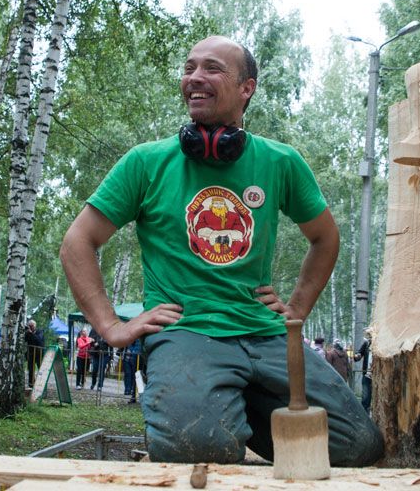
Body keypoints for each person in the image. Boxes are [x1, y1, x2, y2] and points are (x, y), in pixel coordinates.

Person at [61, 35, 383, 466]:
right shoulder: (146, 162)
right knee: (199, 451)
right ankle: (205, 407)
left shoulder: (280, 162)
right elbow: (78, 241)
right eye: (189, 67)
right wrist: (110, 326)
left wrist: (297, 308)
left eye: (211, 68)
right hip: (187, 332)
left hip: (264, 334)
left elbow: (325, 237)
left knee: (357, 443)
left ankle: (223, 404)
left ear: (246, 87)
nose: (195, 77)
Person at [353, 331, 373, 412]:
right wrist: (357, 356)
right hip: (366, 374)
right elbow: (359, 353)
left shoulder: (381, 345)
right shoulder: (366, 343)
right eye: (370, 336)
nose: (370, 337)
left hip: (378, 376)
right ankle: (365, 415)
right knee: (365, 397)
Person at [24, 319, 44, 387]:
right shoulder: (28, 333)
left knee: (40, 368)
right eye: (29, 326)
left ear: (35, 326)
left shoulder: (39, 331)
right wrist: (26, 332)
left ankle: (41, 383)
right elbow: (24, 339)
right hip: (31, 353)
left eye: (32, 326)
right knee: (31, 369)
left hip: (39, 353)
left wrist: (31, 333)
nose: (30, 327)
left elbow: (39, 341)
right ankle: (31, 384)